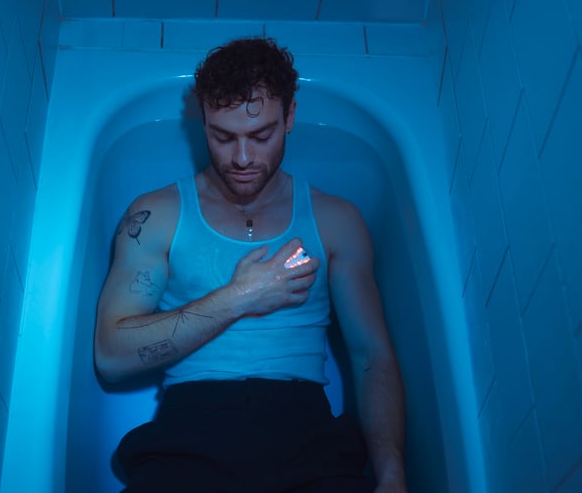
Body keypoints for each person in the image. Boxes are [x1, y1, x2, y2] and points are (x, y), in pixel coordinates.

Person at [94, 37, 407, 492]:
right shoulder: (156, 216)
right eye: (223, 137)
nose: (242, 158)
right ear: (203, 121)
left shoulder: (336, 220)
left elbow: (371, 356)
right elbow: (111, 357)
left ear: (290, 117)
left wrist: (392, 472)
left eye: (261, 136)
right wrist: (240, 297)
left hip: (306, 437)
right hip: (190, 433)